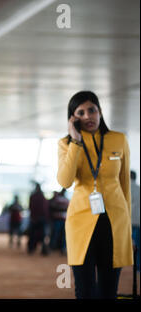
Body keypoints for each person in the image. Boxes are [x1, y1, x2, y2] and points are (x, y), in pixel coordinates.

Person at [57, 91, 133, 299]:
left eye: (92, 110)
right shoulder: (66, 144)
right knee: (85, 290)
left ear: (100, 112)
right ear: (73, 118)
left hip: (114, 222)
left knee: (109, 291)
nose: (88, 116)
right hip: (80, 223)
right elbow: (65, 181)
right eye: (80, 112)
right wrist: (76, 142)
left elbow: (125, 184)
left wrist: (128, 225)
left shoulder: (119, 139)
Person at [27, 183, 49, 255]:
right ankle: (43, 250)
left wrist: (33, 217)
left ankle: (31, 249)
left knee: (32, 234)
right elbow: (45, 209)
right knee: (42, 235)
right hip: (42, 218)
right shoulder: (43, 197)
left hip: (34, 218)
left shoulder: (33, 196)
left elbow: (30, 207)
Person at [48, 188, 69, 255]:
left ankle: (59, 248)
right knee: (57, 234)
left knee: (59, 235)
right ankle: (55, 248)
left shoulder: (61, 200)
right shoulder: (64, 200)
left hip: (61, 220)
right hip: (59, 219)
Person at [131, 171, 140, 272]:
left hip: (127, 222)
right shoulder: (138, 188)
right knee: (137, 245)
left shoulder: (124, 188)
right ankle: (137, 267)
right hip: (138, 221)